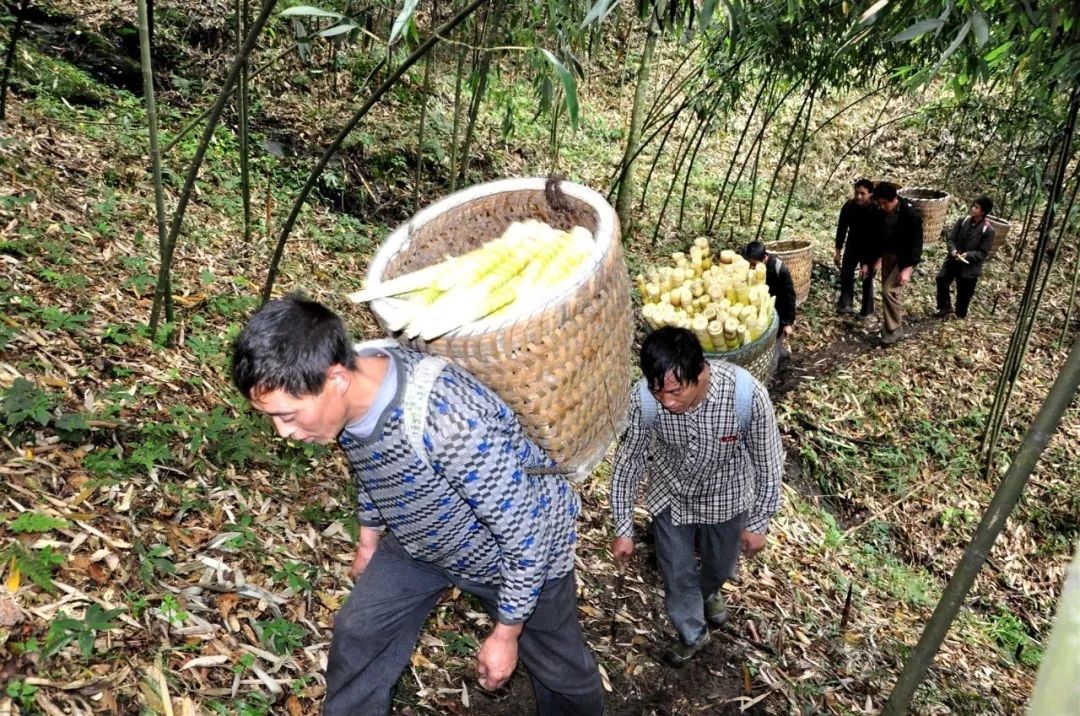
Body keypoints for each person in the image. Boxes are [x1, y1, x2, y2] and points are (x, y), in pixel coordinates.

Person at [231, 296, 604, 716]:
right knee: (361, 632)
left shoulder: (448, 420)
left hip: (516, 554)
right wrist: (369, 540)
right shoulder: (351, 390)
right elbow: (373, 463)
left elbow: (525, 536)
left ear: (335, 379)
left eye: (289, 416)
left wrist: (506, 634)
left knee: (560, 671)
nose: (283, 432)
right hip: (422, 540)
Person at [608, 327, 784, 667]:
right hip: (671, 497)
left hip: (727, 498)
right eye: (659, 392)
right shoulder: (644, 401)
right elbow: (627, 464)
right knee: (676, 572)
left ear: (701, 371)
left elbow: (769, 462)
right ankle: (693, 632)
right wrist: (623, 528)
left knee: (719, 565)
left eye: (675, 391)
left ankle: (710, 591)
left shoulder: (745, 397)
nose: (668, 402)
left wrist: (759, 523)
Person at [867, 182, 923, 346]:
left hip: (903, 258)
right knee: (892, 293)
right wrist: (877, 257)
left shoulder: (909, 215)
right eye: (880, 203)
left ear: (895, 199)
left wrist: (907, 268)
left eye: (885, 203)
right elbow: (877, 236)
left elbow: (916, 244)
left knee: (888, 291)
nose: (882, 206)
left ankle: (894, 330)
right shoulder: (880, 212)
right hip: (887, 255)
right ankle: (892, 327)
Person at [935, 196, 996, 319]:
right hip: (953, 261)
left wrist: (968, 255)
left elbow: (983, 253)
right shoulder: (963, 221)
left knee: (964, 295)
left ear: (983, 212)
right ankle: (945, 308)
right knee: (941, 279)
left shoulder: (988, 230)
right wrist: (953, 250)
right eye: (973, 205)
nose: (972, 208)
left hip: (969, 268)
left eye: (976, 207)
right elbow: (951, 238)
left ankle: (959, 316)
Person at [742, 241, 796, 360]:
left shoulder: (779, 269)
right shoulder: (751, 269)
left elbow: (790, 297)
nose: (752, 267)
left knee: (775, 344)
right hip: (760, 311)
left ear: (764, 258)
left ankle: (775, 366)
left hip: (778, 311)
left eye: (754, 264)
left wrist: (787, 322)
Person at [834, 178, 878, 317]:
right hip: (853, 243)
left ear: (870, 194)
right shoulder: (849, 206)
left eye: (862, 193)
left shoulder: (876, 209)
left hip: (870, 245)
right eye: (857, 192)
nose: (859, 196)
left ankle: (867, 309)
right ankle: (845, 303)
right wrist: (837, 251)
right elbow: (842, 228)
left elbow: (878, 236)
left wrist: (867, 262)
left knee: (867, 277)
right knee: (846, 272)